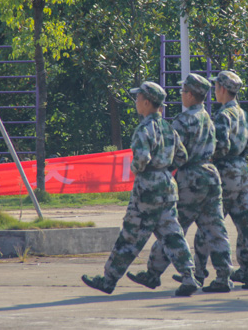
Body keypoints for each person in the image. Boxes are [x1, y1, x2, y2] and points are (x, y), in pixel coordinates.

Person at [81, 81, 200, 296]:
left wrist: (139, 169)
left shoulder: (144, 128)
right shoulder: (168, 128)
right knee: (173, 235)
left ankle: (108, 280)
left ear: (146, 102)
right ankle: (189, 276)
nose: (136, 102)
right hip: (167, 186)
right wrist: (164, 169)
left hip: (147, 189)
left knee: (130, 235)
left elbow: (142, 158)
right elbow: (182, 156)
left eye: (138, 99)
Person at [127, 74, 234, 293]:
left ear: (190, 94)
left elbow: (175, 153)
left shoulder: (182, 121)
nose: (181, 96)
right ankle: (224, 276)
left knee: (171, 229)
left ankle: (154, 273)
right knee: (216, 230)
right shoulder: (209, 118)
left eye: (183, 92)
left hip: (190, 179)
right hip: (211, 176)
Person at [193, 71, 248, 290]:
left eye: (216, 87)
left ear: (223, 89)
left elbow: (221, 146)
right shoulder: (244, 115)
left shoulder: (222, 116)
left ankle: (201, 274)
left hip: (224, 173)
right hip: (241, 173)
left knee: (209, 226)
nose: (215, 91)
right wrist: (241, 156)